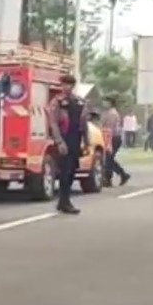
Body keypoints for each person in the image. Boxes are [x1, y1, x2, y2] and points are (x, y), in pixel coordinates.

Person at [48, 74, 88, 215]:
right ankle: (65, 202)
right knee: (65, 172)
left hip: (75, 139)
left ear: (73, 86)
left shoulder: (79, 102)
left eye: (69, 84)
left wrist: (86, 142)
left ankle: (63, 202)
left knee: (72, 171)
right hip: (64, 138)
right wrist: (59, 142)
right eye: (63, 84)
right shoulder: (57, 102)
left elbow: (84, 124)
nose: (66, 87)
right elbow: (53, 123)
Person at [100, 96, 131, 186]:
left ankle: (120, 175)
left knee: (108, 160)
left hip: (113, 137)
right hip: (109, 137)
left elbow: (110, 128)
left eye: (105, 102)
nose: (103, 104)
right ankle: (112, 178)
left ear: (110, 103)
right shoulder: (107, 113)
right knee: (108, 160)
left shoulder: (112, 114)